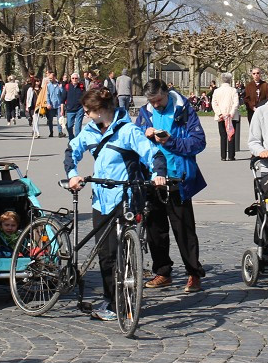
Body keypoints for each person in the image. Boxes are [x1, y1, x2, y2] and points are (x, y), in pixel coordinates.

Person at [64, 88, 167, 321]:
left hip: (126, 196)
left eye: (89, 111)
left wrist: (158, 174)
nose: (86, 115)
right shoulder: (89, 131)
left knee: (121, 251)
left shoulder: (128, 131)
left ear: (100, 111)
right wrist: (73, 174)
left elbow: (153, 154)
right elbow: (72, 150)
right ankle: (111, 300)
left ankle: (124, 299)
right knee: (106, 253)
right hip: (101, 198)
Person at [135, 79, 207, 293]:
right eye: (152, 101)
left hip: (178, 177)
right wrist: (144, 134)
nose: (156, 105)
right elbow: (136, 140)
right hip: (153, 177)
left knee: (184, 229)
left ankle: (194, 273)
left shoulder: (184, 110)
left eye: (159, 100)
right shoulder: (145, 113)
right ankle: (162, 271)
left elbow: (199, 142)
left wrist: (171, 141)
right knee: (155, 229)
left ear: (167, 93)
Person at [211, 72, 240, 161]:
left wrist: (219, 113)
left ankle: (223, 155)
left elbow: (214, 103)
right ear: (230, 80)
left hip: (221, 116)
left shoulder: (217, 91)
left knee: (223, 135)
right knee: (231, 134)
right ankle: (231, 155)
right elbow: (236, 103)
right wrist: (231, 113)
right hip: (231, 116)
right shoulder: (233, 90)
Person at [62, 72, 85, 140]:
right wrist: (62, 111)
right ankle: (71, 138)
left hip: (79, 109)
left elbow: (85, 98)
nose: (74, 79)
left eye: (76, 78)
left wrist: (86, 109)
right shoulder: (67, 87)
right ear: (71, 79)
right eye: (73, 78)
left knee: (78, 127)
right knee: (69, 126)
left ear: (78, 79)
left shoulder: (81, 87)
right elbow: (62, 100)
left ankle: (77, 141)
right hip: (70, 109)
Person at [44, 73, 65, 138]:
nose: (50, 79)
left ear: (54, 77)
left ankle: (60, 132)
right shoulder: (49, 85)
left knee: (59, 119)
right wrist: (48, 103)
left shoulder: (59, 85)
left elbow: (63, 94)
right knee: (50, 119)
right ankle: (51, 131)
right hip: (51, 105)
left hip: (58, 105)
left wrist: (61, 88)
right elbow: (47, 95)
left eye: (51, 78)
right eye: (49, 78)